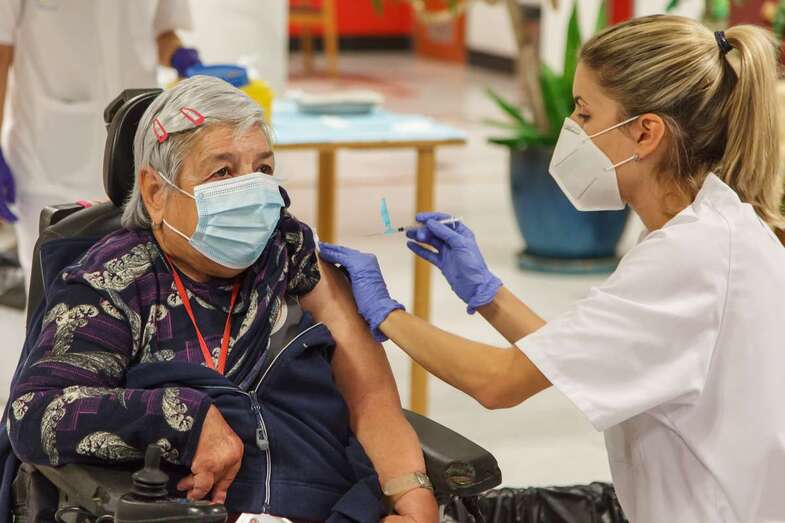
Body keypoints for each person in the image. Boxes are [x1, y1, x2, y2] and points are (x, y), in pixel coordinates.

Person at [320, 16, 785, 523]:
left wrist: (384, 312)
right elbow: (571, 358)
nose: (573, 131)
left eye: (585, 115)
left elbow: (500, 383)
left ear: (646, 133)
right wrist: (489, 294)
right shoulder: (713, 227)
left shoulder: (690, 257)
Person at [7, 76, 437, 522]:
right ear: (156, 192)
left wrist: (413, 499)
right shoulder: (117, 280)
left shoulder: (288, 253)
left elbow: (370, 398)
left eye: (263, 170)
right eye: (223, 172)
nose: (252, 191)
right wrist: (182, 418)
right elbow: (35, 413)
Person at [0, 0, 203, 281]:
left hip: (137, 158)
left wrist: (181, 56)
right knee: (50, 293)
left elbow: (163, 34)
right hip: (48, 159)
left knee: (136, 291)